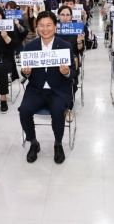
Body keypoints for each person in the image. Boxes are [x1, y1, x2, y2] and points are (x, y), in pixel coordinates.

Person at [18, 11, 75, 164]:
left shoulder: (65, 46)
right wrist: (26, 72)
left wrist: (67, 72)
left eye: (49, 25)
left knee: (57, 111)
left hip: (58, 90)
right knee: (23, 110)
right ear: (37, 28)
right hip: (36, 89)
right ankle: (33, 142)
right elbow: (25, 72)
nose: (45, 29)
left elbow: (74, 72)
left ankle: (58, 143)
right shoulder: (30, 47)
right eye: (41, 25)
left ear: (55, 27)